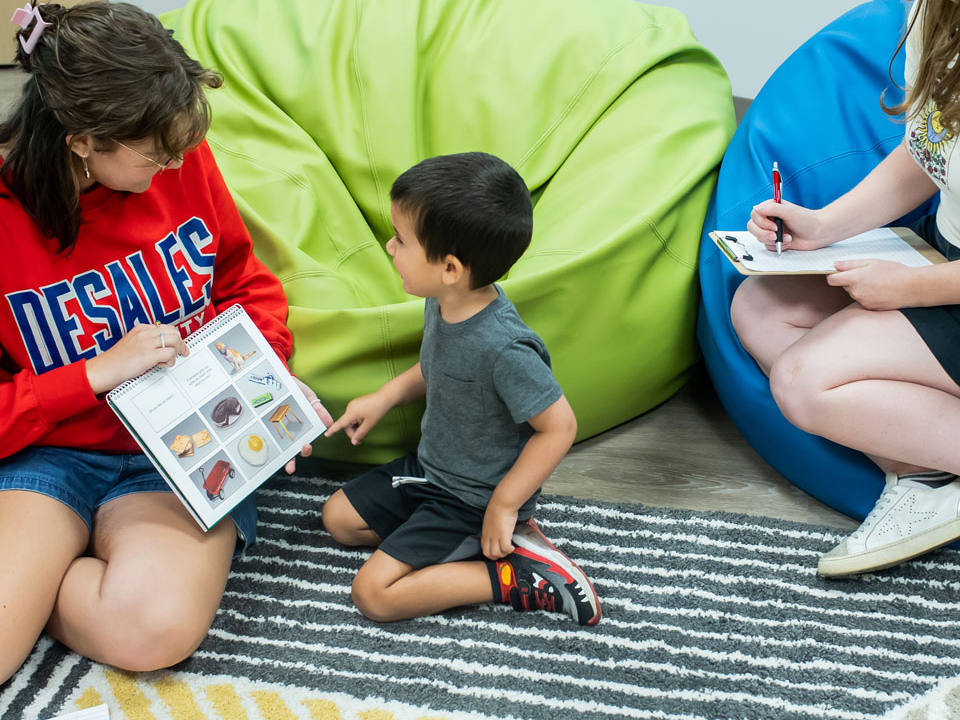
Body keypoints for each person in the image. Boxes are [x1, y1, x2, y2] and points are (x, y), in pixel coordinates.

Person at [0, 1, 330, 682]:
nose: (177, 162)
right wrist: (90, 374)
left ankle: (39, 584)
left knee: (150, 633)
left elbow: (242, 279)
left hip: (185, 446)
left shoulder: (180, 155)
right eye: (156, 155)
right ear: (83, 139)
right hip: (49, 453)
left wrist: (268, 374)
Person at [730, 0, 960, 577]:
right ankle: (929, 473)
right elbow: (929, 147)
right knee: (759, 308)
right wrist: (825, 225)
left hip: (945, 281)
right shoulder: (930, 13)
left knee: (803, 384)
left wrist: (914, 288)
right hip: (942, 253)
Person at [321, 152, 602, 625]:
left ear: (450, 267)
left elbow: (559, 427)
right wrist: (384, 397)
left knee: (373, 594)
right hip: (432, 471)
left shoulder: (505, 348)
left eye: (401, 240)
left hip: (471, 500)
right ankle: (464, 549)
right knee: (339, 519)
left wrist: (504, 504)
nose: (390, 248)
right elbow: (439, 367)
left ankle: (514, 575)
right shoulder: (442, 300)